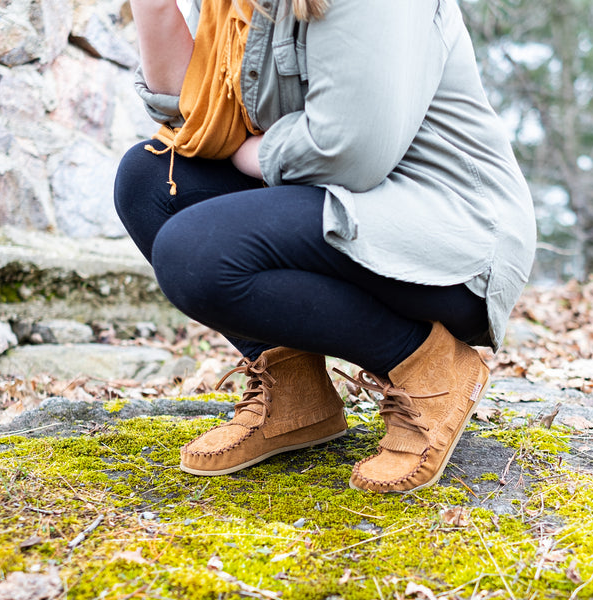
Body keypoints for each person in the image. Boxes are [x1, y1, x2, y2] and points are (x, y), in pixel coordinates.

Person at [114, 0, 536, 493]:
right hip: (345, 202)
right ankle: (296, 395)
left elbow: (346, 151)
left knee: (196, 255)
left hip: (449, 229)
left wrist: (240, 148)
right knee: (148, 181)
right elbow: (192, 116)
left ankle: (428, 369)